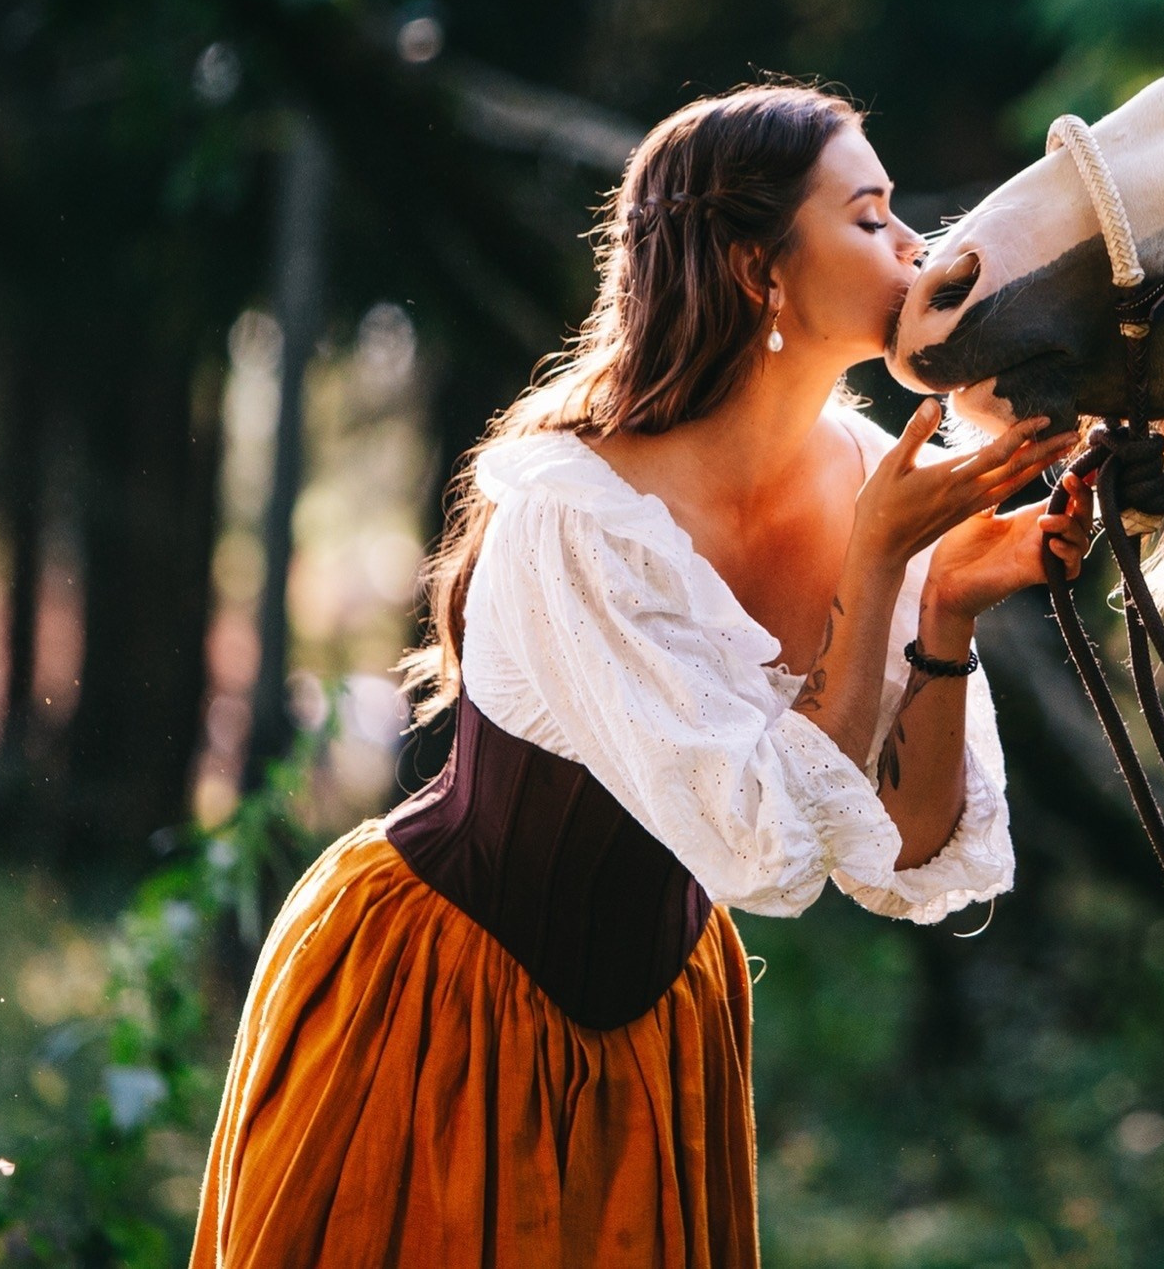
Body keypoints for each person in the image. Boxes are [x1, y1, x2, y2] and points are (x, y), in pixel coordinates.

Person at [190, 84, 1087, 1268]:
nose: (915, 248)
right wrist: (881, 559)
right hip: (440, 999)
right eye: (870, 218)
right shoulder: (583, 519)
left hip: (660, 1027)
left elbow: (905, 848)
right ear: (756, 267)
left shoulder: (872, 472)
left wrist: (948, 608)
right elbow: (770, 850)